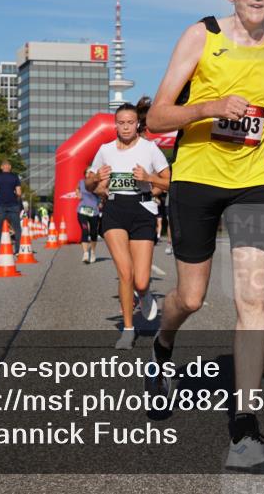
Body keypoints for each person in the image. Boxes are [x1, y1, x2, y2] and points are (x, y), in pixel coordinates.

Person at [146, 0, 264, 472]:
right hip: (197, 179)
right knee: (192, 298)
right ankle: (162, 340)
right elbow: (156, 115)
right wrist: (210, 107)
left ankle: (244, 435)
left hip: (253, 183)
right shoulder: (202, 35)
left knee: (252, 297)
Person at [87, 98, 171, 350]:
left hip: (143, 210)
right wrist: (96, 179)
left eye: (130, 123)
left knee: (142, 281)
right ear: (115, 125)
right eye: (121, 123)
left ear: (137, 124)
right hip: (114, 210)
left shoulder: (150, 149)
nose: (125, 127)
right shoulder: (105, 150)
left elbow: (169, 182)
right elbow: (90, 184)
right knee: (125, 273)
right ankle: (127, 330)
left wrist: (149, 177)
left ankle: (143, 294)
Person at [0, 159, 22, 252]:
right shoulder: (15, 177)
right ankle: (18, 249)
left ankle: (0, 249)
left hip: (1, 205)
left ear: (1, 167)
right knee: (17, 229)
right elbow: (19, 192)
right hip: (13, 205)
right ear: (10, 167)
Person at [74, 181, 102, 264]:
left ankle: (92, 252)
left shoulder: (98, 183)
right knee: (85, 230)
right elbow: (77, 188)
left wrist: (100, 201)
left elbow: (103, 193)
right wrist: (78, 193)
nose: (89, 175)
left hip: (94, 212)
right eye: (88, 173)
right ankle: (85, 253)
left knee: (93, 233)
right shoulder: (82, 182)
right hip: (82, 211)